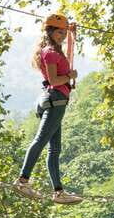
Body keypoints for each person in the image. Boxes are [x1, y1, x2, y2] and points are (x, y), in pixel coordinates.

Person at [13, 13, 83, 204]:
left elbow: (68, 54)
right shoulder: (50, 52)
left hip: (55, 100)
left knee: (54, 149)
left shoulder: (55, 50)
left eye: (63, 32)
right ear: (50, 31)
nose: (61, 35)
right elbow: (53, 80)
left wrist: (71, 34)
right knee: (41, 141)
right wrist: (70, 76)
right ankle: (22, 180)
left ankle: (58, 192)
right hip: (56, 99)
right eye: (59, 32)